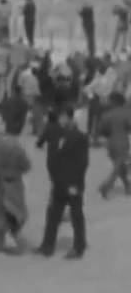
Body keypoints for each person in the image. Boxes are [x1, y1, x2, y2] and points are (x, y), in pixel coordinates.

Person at [37, 105, 89, 259]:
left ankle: (79, 246)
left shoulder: (80, 137)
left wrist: (75, 183)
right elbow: (55, 157)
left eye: (62, 117)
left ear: (68, 117)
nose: (60, 120)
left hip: (72, 183)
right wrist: (55, 178)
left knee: (76, 215)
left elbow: (83, 163)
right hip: (59, 182)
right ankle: (47, 246)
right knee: (53, 215)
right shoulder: (59, 134)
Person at [0, 134, 31, 254]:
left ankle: (1, 237)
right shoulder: (18, 150)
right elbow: (27, 166)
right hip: (15, 183)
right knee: (19, 212)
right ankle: (11, 235)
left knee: (1, 211)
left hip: (0, 182)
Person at [97, 91, 131, 198]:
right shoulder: (126, 113)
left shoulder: (106, 115)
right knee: (118, 167)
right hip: (122, 142)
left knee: (120, 166)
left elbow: (102, 131)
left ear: (114, 101)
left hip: (110, 143)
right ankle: (106, 185)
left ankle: (127, 186)